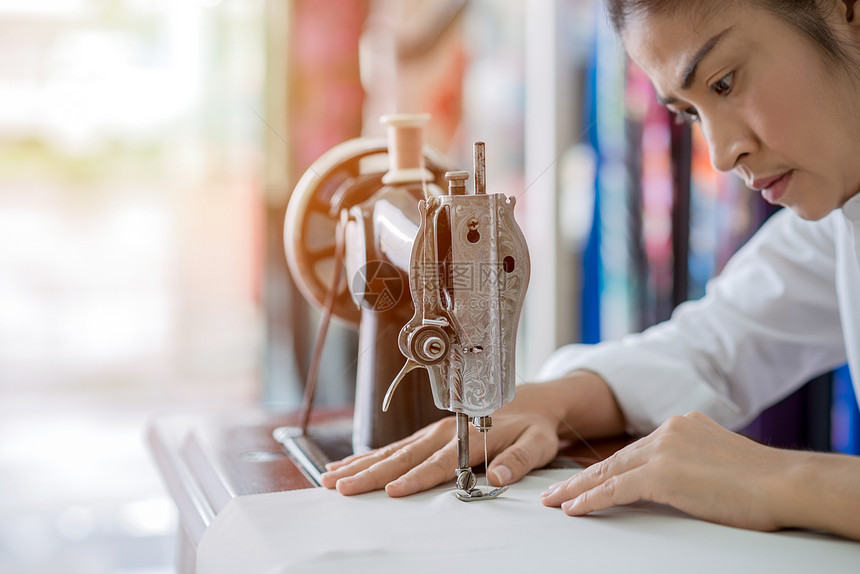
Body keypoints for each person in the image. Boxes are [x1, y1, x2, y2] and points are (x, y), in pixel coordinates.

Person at [320, 0, 860, 541]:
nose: (720, 155)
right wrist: (553, 399)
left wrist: (782, 477)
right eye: (689, 113)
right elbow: (716, 345)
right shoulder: (837, 225)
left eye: (723, 83)